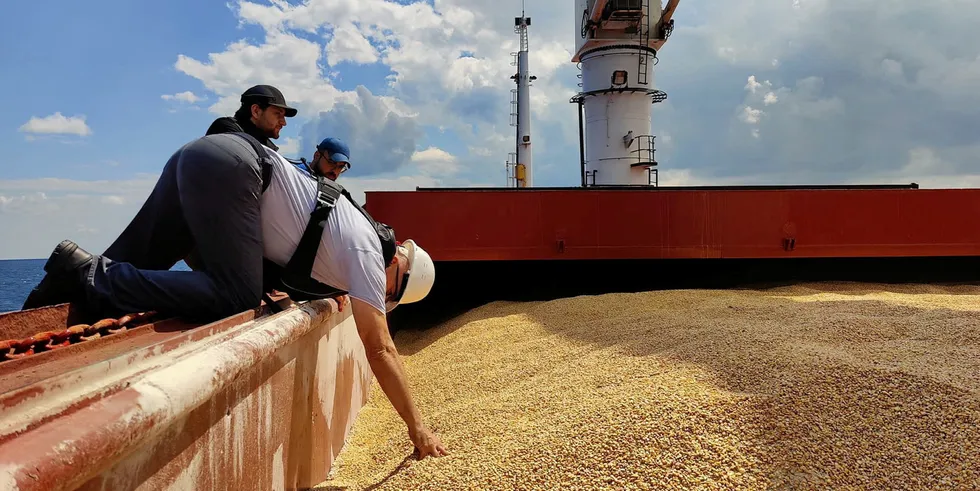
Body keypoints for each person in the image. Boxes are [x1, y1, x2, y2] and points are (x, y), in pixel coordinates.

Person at [257, 130, 447, 459]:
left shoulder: (340, 207)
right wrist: (417, 427)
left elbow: (322, 250)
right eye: (332, 163)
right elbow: (380, 348)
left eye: (341, 168)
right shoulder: (300, 178)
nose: (335, 172)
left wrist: (338, 287)